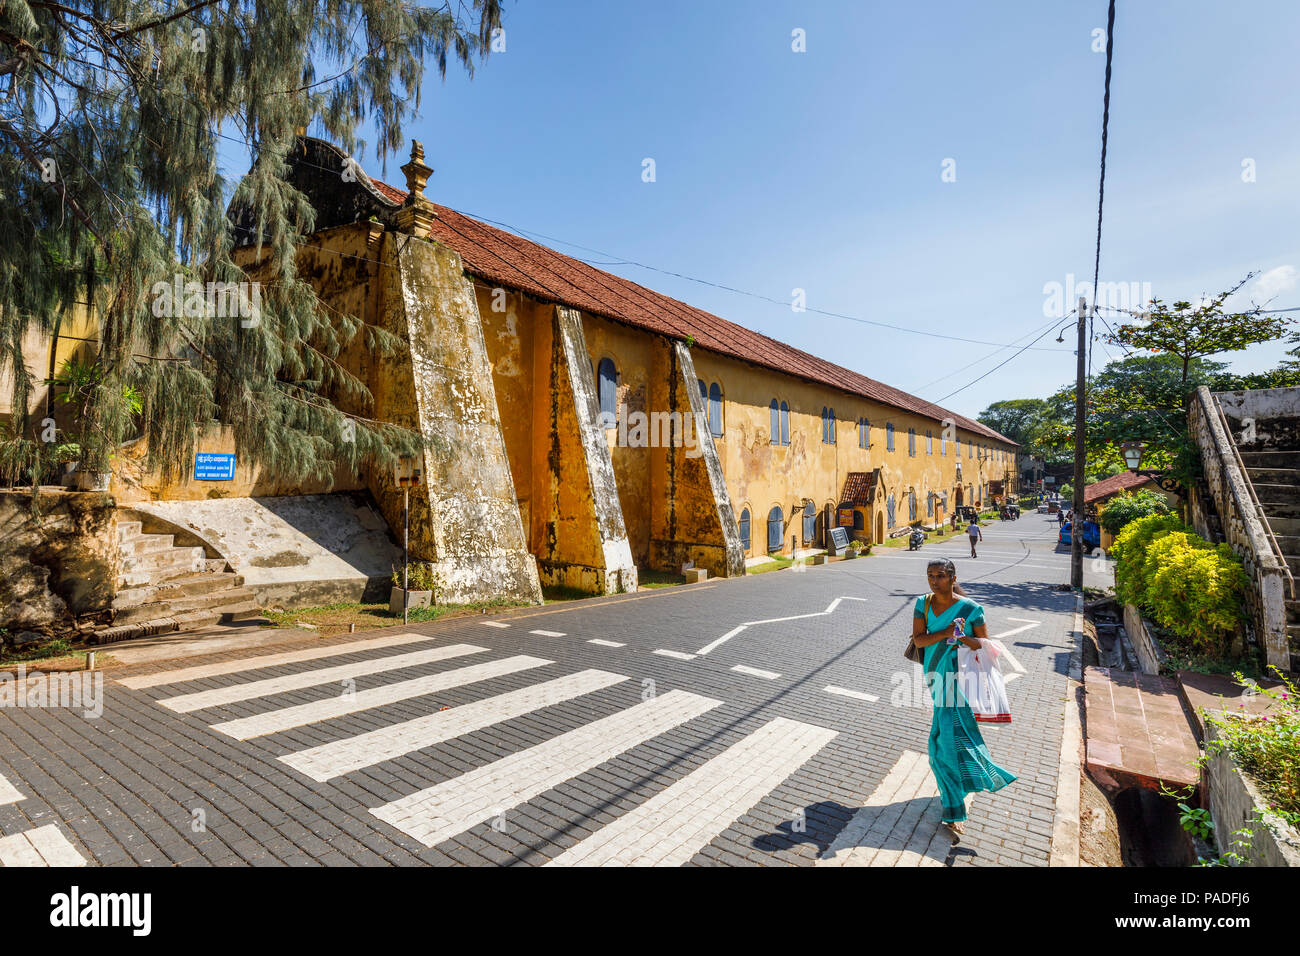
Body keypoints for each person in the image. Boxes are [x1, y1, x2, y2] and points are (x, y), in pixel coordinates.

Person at [912, 559, 1017, 837]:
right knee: (951, 736)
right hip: (935, 674)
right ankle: (974, 777)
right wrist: (946, 632)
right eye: (930, 576)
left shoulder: (972, 610)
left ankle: (955, 805)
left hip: (961, 679)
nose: (935, 581)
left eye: (941, 576)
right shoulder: (922, 604)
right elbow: (919, 640)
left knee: (943, 741)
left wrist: (962, 638)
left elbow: (986, 645)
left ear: (952, 577)